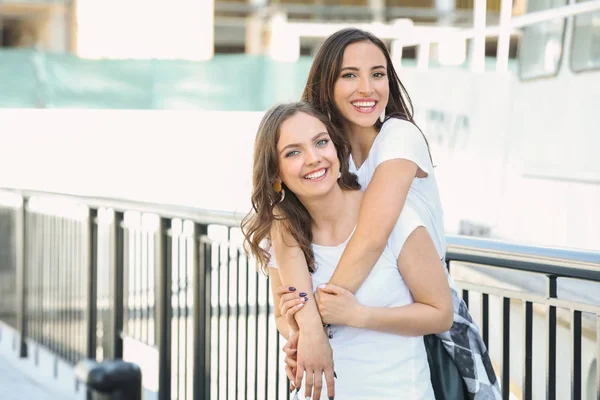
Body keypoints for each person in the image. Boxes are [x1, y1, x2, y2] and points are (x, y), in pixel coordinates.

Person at [268, 28, 501, 400]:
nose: (368, 88)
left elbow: (372, 236)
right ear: (325, 84)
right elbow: (286, 285)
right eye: (350, 75)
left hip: (418, 308)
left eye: (378, 74)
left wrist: (317, 323)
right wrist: (302, 329)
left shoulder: (399, 137)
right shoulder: (329, 156)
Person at [242, 102, 454, 399]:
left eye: (321, 142)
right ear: (275, 175)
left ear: (337, 150)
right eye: (293, 152)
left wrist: (359, 315)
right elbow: (282, 315)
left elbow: (441, 314)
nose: (313, 158)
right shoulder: (285, 234)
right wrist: (299, 333)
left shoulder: (393, 220)